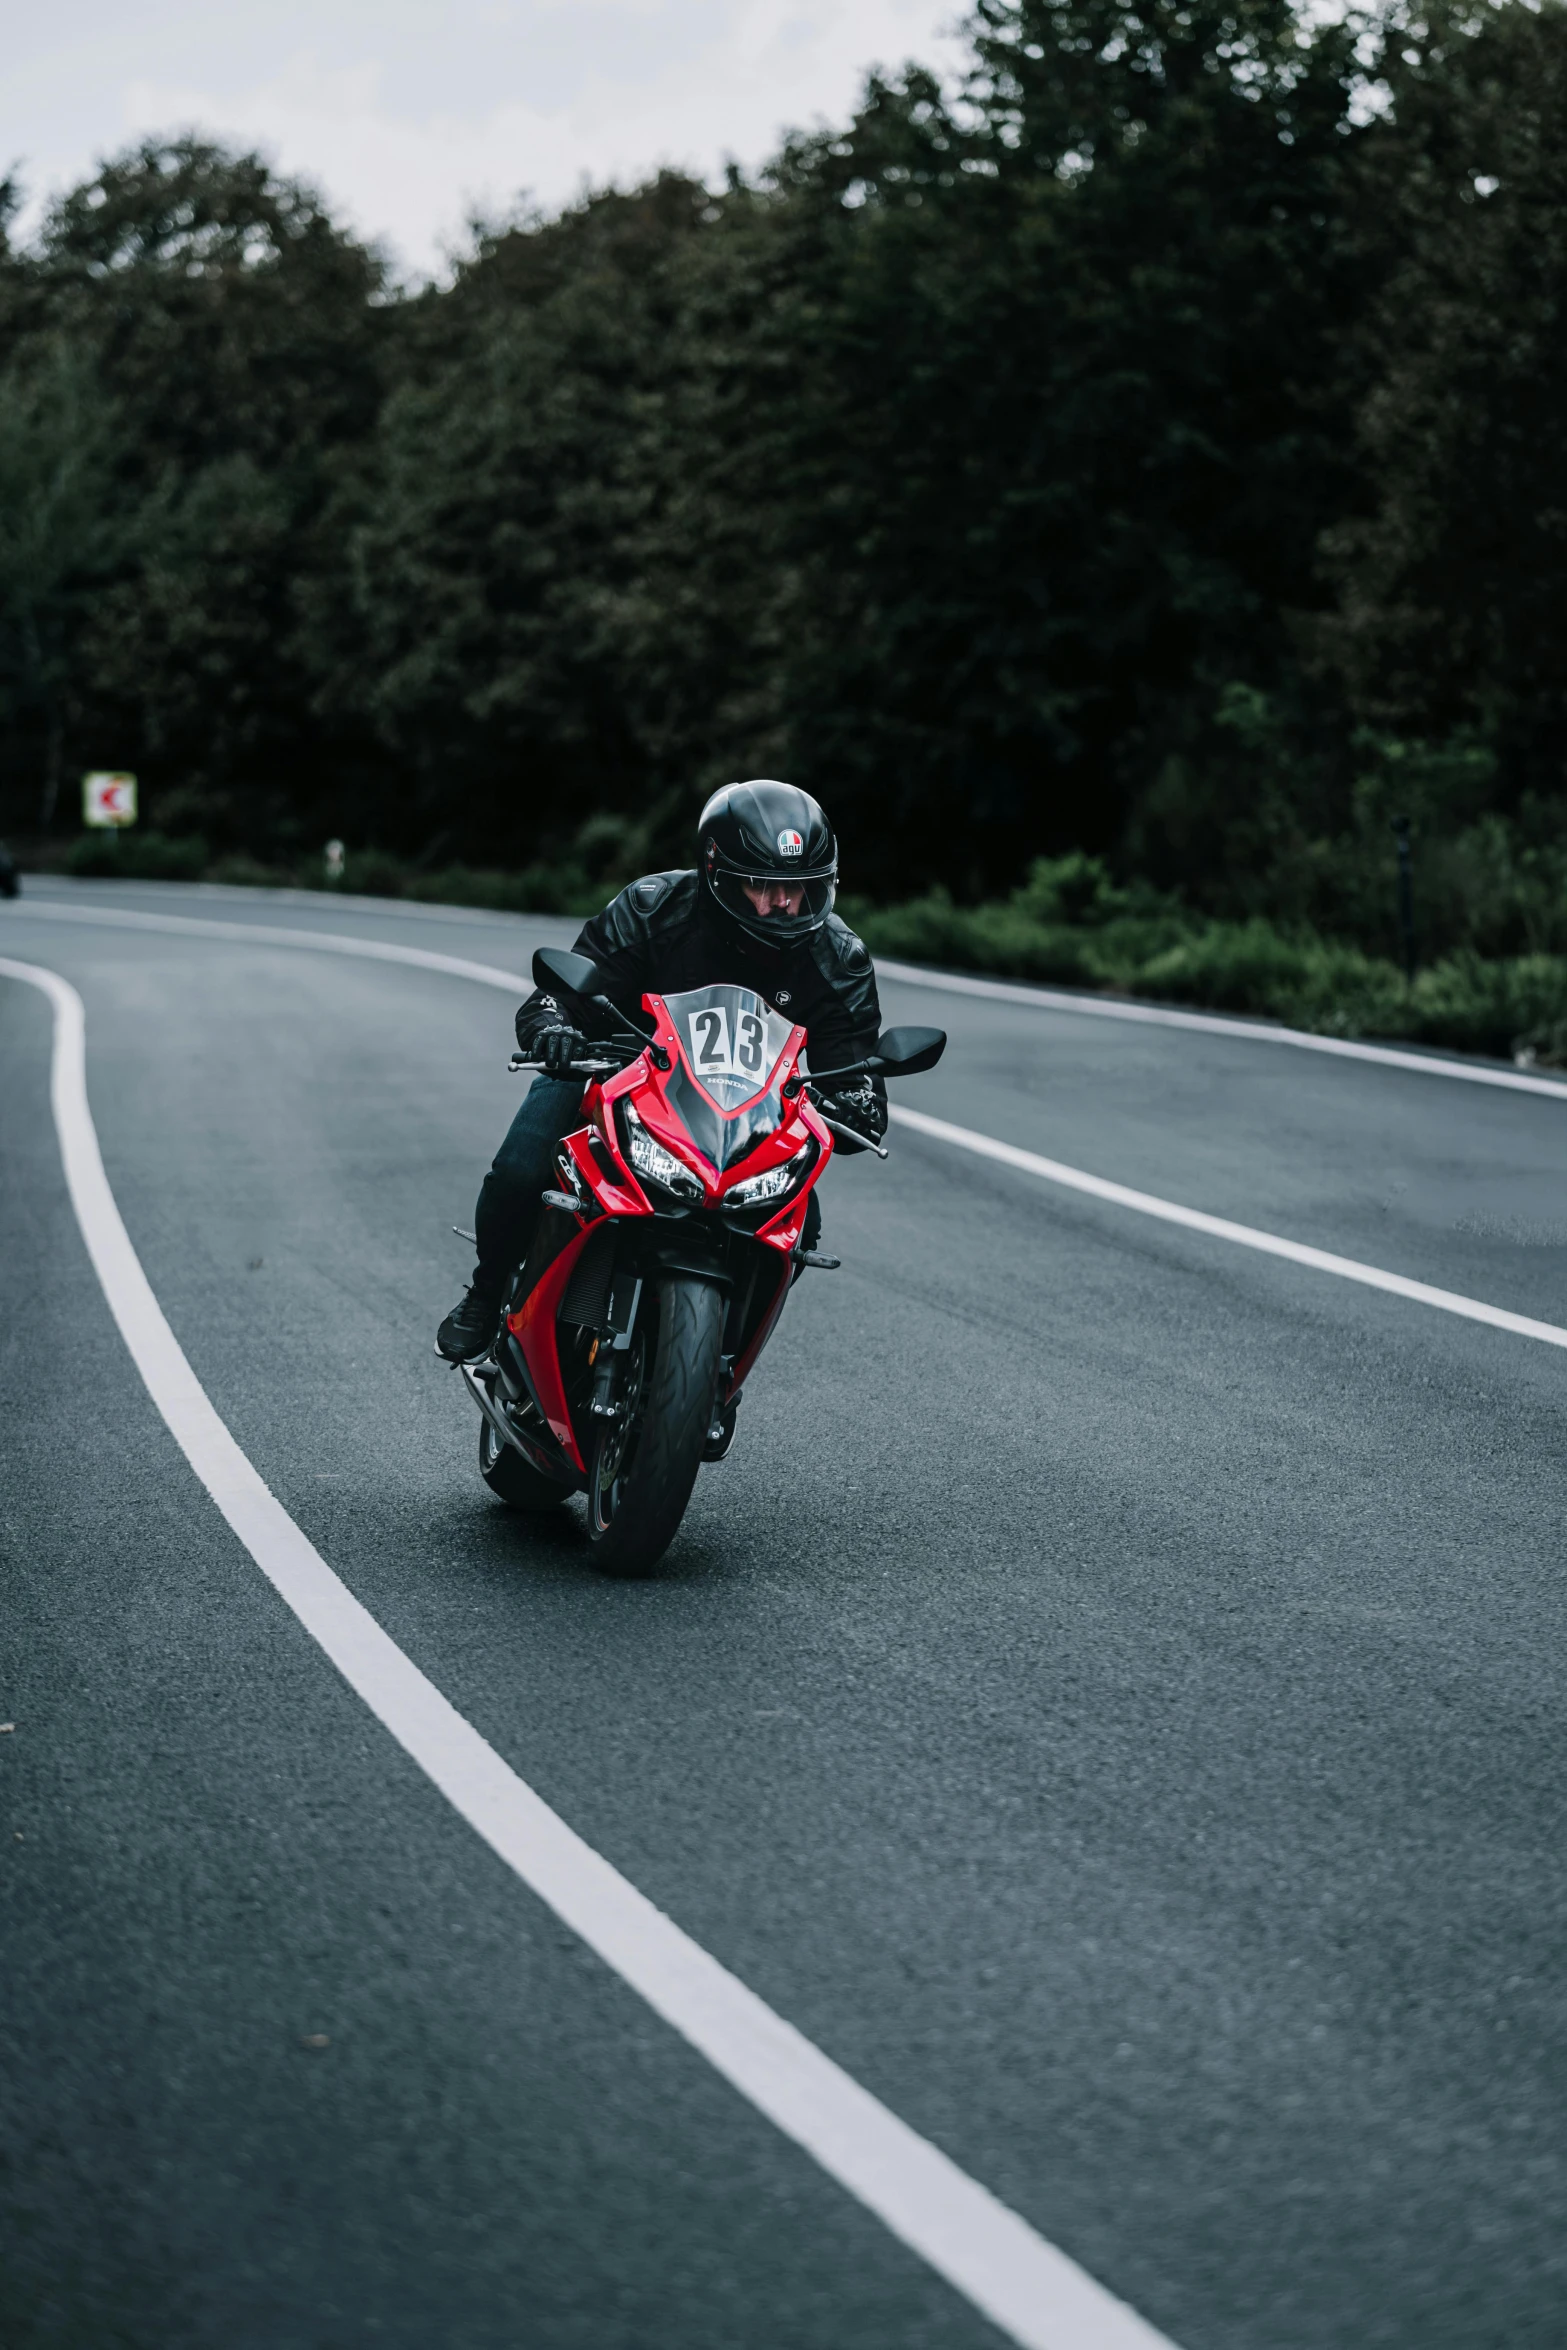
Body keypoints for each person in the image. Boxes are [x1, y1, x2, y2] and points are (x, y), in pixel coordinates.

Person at [437, 779, 888, 1361]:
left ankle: (719, 1360)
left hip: (745, 1115)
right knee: (523, 1168)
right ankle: (487, 1291)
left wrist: (858, 1101)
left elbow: (852, 1071)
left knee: (799, 1222)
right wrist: (554, 1032)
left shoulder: (839, 958)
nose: (786, 902)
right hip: (613, 1075)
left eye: (801, 887)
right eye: (765, 884)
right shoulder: (652, 908)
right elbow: (557, 995)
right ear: (718, 874)